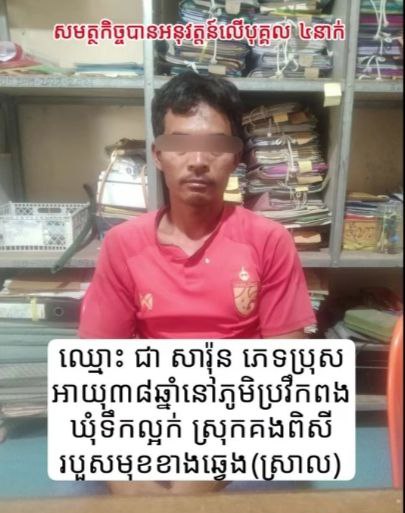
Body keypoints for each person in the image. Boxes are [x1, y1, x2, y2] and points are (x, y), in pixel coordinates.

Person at [79, 71, 316, 495]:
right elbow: (98, 365)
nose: (198, 160)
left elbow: (285, 370)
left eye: (215, 145)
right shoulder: (122, 244)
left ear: (237, 156)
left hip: (240, 402)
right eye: (180, 143)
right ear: (157, 155)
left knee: (188, 488)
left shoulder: (269, 241)